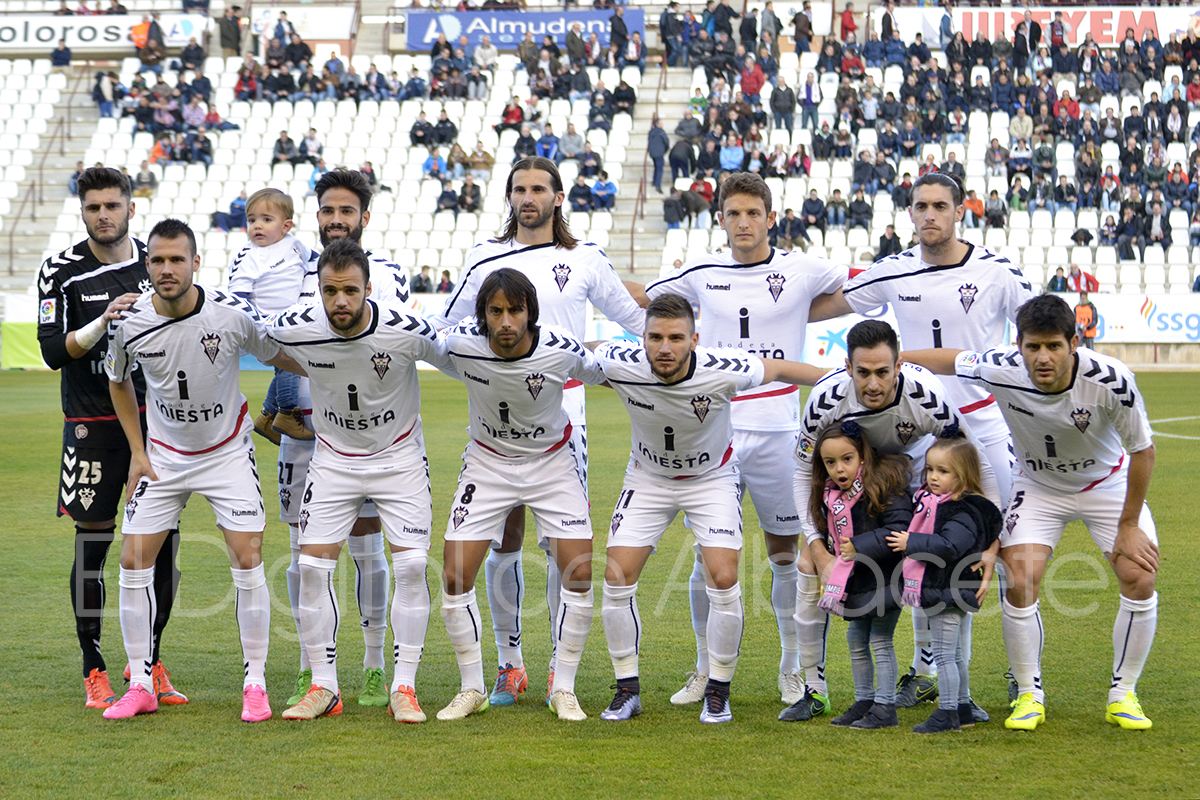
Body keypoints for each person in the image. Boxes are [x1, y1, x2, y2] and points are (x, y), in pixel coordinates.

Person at [806, 172, 1026, 717]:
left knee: (1004, 550)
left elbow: (1038, 330)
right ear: (909, 213)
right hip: (916, 434)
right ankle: (929, 672)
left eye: (940, 206)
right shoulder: (893, 270)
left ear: (959, 211)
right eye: (921, 206)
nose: (930, 214)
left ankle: (1022, 678)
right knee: (921, 549)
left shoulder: (997, 271)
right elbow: (829, 306)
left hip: (982, 425)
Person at [431, 157, 645, 707]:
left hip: (563, 414)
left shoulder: (585, 257)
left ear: (558, 196)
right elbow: (447, 330)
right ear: (509, 196)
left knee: (560, 548)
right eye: (519, 189)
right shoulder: (484, 256)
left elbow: (635, 321)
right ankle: (510, 663)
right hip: (497, 416)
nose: (528, 197)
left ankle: (557, 668)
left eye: (539, 188)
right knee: (503, 540)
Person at [903, 293, 1160, 732]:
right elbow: (950, 359)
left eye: (1054, 346)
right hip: (1038, 486)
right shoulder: (1000, 366)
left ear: (1074, 343)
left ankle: (1124, 694)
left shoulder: (1111, 380)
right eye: (1033, 346)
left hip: (1106, 484)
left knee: (1140, 575)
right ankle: (1028, 694)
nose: (1043, 357)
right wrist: (897, 358)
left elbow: (1143, 451)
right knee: (1020, 579)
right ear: (1017, 345)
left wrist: (1129, 524)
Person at [643, 173, 846, 710]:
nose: (744, 222)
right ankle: (704, 669)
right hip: (716, 428)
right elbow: (649, 300)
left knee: (787, 552)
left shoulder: (802, 268)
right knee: (707, 557)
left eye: (753, 212)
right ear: (721, 220)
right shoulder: (701, 272)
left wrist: (807, 311)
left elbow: (856, 291)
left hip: (780, 432)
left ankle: (793, 668)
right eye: (733, 213)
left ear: (771, 218)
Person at [103, 218, 303, 721]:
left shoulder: (231, 314)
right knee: (132, 561)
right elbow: (118, 381)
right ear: (147, 266)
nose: (167, 269)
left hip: (226, 453)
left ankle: (255, 684)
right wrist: (137, 451)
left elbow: (281, 355)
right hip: (164, 457)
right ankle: (140, 683)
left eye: (177, 259)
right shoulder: (128, 323)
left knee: (247, 557)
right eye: (157, 260)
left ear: (196, 262)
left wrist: (341, 369)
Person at [593, 293, 826, 724]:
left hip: (711, 479)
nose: (665, 348)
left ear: (695, 340)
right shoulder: (620, 362)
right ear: (641, 338)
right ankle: (627, 690)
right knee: (616, 576)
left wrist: (841, 377)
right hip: (647, 479)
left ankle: (718, 692)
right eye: (655, 338)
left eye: (676, 338)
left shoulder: (725, 369)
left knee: (723, 576)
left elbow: (779, 369)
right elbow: (574, 354)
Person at [781, 319, 1000, 722]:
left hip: (917, 478)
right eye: (863, 372)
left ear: (899, 366)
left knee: (944, 568)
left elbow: (976, 462)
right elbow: (801, 471)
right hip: (849, 487)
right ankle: (814, 690)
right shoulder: (825, 398)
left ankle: (955, 695)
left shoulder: (927, 395)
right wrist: (815, 544)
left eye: (883, 372)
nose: (873, 384)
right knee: (809, 568)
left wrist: (989, 544)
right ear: (847, 367)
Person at [267, 239, 447, 723]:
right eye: (330, 291)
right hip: (333, 460)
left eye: (350, 290)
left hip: (399, 458)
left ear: (368, 288)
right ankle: (324, 686)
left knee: (412, 566)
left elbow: (455, 355)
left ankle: (403, 686)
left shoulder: (404, 328)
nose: (340, 301)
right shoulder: (298, 324)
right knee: (312, 568)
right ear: (319, 290)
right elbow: (261, 343)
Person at [36, 167, 186, 711]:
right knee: (93, 544)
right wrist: (102, 322)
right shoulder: (61, 272)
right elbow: (52, 352)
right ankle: (93, 667)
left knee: (162, 545)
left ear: (130, 207)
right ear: (82, 211)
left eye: (112, 205)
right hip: (92, 424)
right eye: (94, 207)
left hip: (156, 424)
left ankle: (150, 661)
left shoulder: (154, 262)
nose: (104, 215)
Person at [435, 269, 603, 721]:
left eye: (515, 310)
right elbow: (413, 344)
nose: (506, 321)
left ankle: (563, 688)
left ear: (531, 312)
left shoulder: (560, 349)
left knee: (579, 572)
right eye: (496, 311)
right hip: (488, 463)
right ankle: (472, 687)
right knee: (454, 575)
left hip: (552, 463)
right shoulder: (461, 345)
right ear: (483, 315)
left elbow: (604, 370)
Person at [892, 432, 1002, 733]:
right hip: (947, 589)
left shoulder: (961, 509)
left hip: (949, 590)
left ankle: (948, 713)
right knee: (953, 655)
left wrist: (911, 542)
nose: (933, 477)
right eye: (929, 469)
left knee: (944, 656)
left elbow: (950, 546)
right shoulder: (941, 503)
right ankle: (963, 708)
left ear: (963, 475)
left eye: (943, 471)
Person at [808, 422, 912, 730]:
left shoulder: (884, 483)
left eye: (847, 459)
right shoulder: (832, 496)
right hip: (858, 579)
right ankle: (865, 700)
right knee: (855, 639)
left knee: (880, 640)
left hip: (887, 578)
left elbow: (899, 529)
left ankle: (885, 706)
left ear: (862, 456)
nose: (839, 469)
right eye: (830, 462)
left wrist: (859, 546)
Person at [224, 189, 315, 444]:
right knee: (290, 361)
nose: (257, 226)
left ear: (286, 226)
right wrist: (253, 326)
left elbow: (318, 260)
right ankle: (286, 413)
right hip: (263, 322)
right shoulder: (248, 255)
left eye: (266, 219)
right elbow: (238, 296)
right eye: (252, 220)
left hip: (287, 319)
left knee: (286, 365)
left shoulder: (295, 245)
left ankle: (267, 416)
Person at [648, 117, 670, 193]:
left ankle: (654, 181)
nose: (662, 124)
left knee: (656, 167)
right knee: (659, 169)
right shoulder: (661, 132)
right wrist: (664, 150)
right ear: (657, 124)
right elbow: (666, 142)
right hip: (659, 153)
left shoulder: (651, 132)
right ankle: (658, 185)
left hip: (652, 153)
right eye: (661, 123)